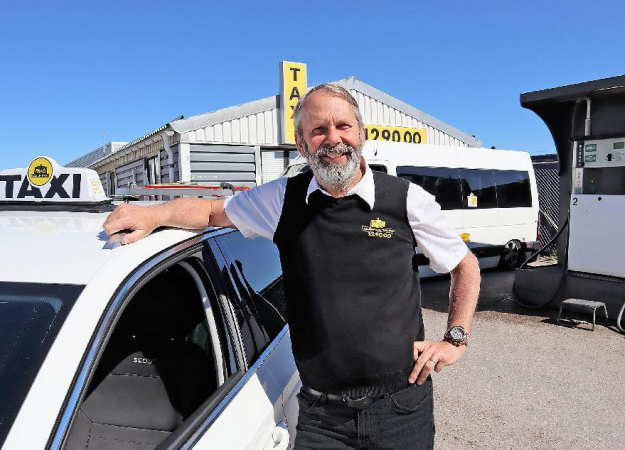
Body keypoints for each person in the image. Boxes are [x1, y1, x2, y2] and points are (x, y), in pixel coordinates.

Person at [103, 83, 480, 449]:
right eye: (318, 130)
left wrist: (455, 340)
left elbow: (465, 266)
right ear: (302, 145)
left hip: (401, 408)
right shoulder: (283, 201)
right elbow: (212, 210)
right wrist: (152, 214)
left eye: (343, 126)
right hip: (322, 417)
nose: (333, 139)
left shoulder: (406, 200)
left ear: (360, 134)